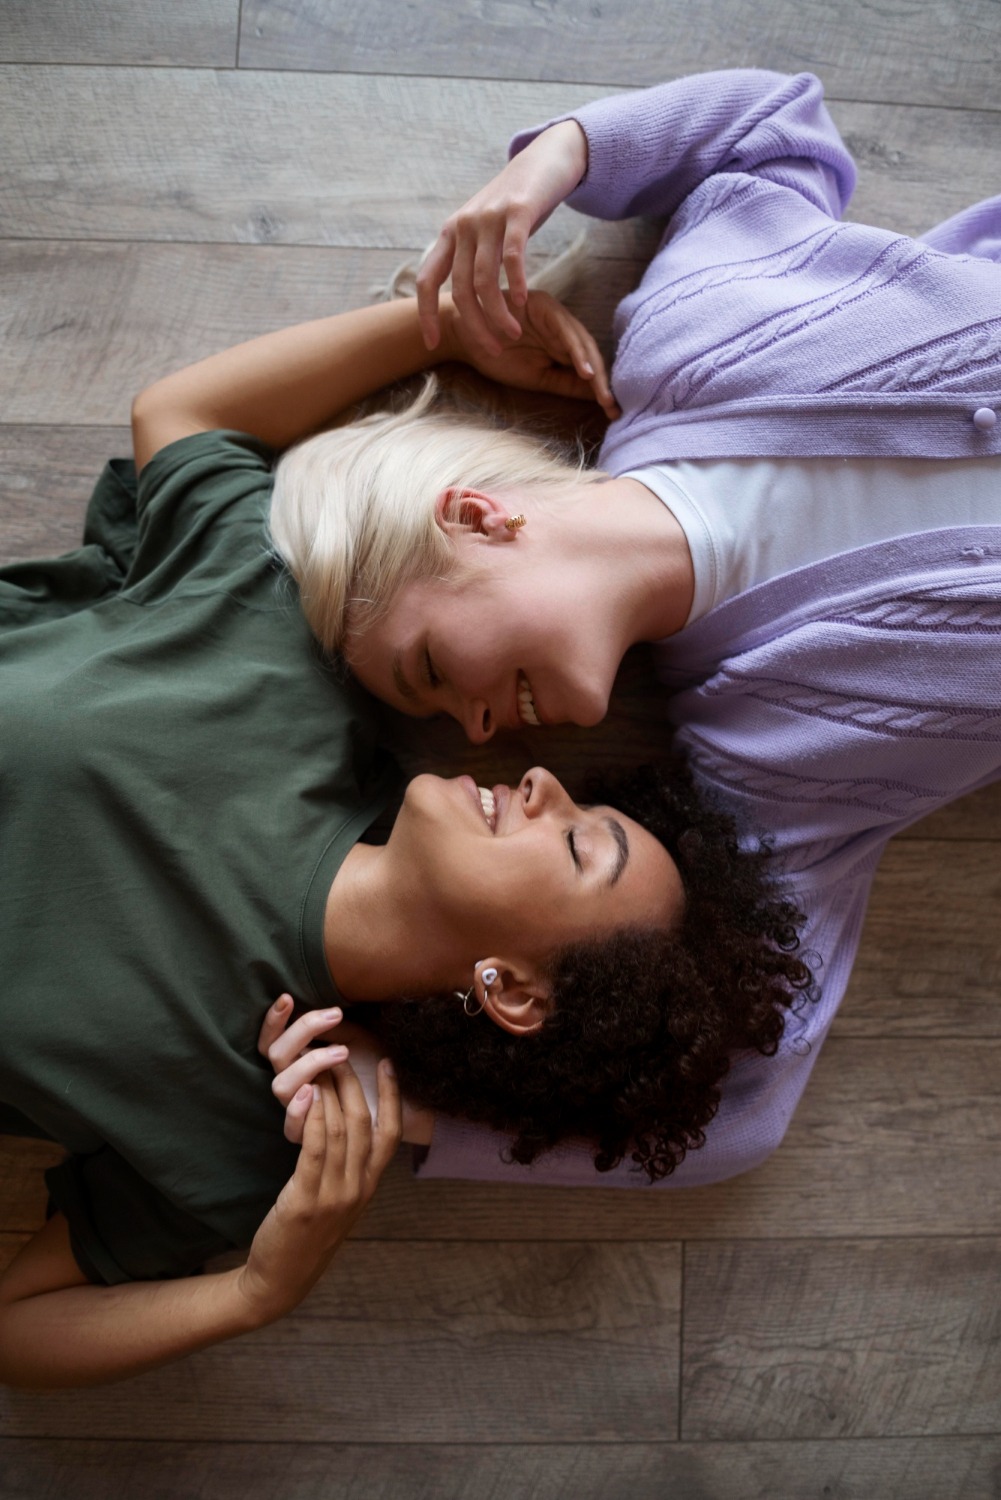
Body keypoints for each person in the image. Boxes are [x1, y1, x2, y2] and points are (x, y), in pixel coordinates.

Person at [0, 311, 811, 1386]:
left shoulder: (254, 1129)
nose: (540, 782)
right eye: (580, 804)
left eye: (576, 848)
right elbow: (185, 414)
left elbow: (19, 1330)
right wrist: (442, 329)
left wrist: (256, 1292)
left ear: (511, 993)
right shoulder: (276, 656)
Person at [256, 69, 1000, 1187]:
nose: (479, 730)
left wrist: (549, 163)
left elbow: (770, 126)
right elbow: (738, 1116)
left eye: (430, 670)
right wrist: (406, 1119)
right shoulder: (763, 765)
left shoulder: (690, 334)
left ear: (472, 518)